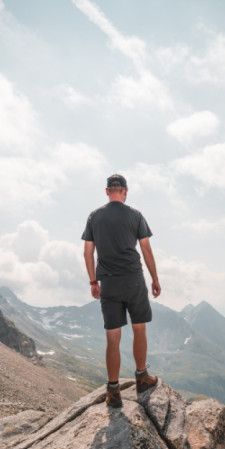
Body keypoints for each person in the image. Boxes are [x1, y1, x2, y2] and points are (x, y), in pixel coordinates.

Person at [82, 173, 161, 407]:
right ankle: (142, 377)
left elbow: (88, 252)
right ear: (125, 191)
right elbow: (146, 249)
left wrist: (93, 281)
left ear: (107, 191)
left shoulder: (94, 216)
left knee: (113, 337)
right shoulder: (135, 215)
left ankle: (114, 391)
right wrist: (155, 278)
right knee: (139, 329)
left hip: (109, 282)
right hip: (134, 279)